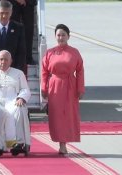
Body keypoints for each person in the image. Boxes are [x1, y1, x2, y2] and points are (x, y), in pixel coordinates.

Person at [41, 24, 85, 154]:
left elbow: (80, 71)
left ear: (68, 37)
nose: (61, 37)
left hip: (70, 85)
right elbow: (44, 71)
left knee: (68, 115)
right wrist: (44, 88)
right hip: (55, 87)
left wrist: (80, 88)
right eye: (58, 35)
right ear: (55, 37)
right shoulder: (50, 52)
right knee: (57, 115)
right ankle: (61, 143)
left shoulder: (74, 52)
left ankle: (64, 143)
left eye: (63, 35)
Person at [10, 0, 37, 65]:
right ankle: (12, 56)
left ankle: (28, 58)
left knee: (28, 31)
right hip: (13, 3)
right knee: (13, 30)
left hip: (28, 3)